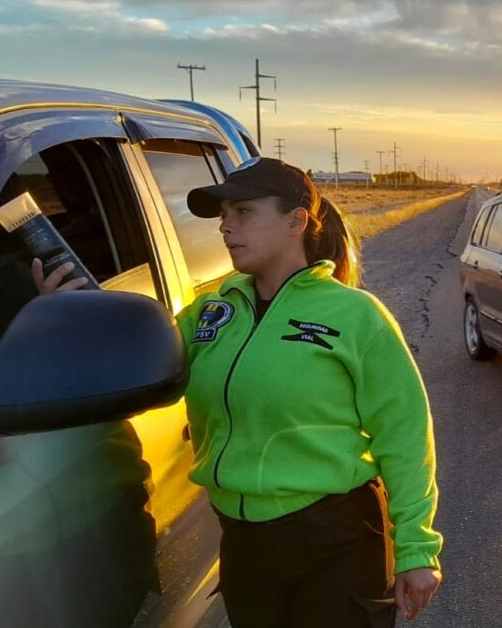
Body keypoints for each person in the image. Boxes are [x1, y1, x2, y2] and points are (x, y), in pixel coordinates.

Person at [37, 157, 442, 627]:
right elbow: (139, 370)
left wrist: (416, 549)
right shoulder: (211, 312)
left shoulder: (356, 317)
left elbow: (406, 437)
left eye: (243, 212)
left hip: (336, 538)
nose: (226, 227)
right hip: (244, 545)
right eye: (224, 216)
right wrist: (64, 318)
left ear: (297, 222)